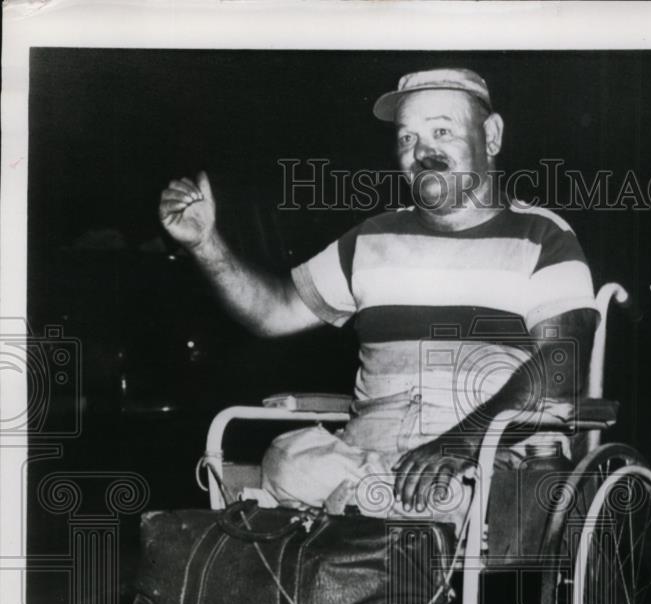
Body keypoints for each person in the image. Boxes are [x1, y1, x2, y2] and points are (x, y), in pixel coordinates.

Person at [159, 68, 598, 524]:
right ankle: (372, 500)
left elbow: (561, 364)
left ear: (491, 135)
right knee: (286, 459)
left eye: (442, 131)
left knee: (447, 495)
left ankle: (367, 506)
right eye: (408, 139)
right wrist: (206, 245)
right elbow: (273, 311)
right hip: (367, 453)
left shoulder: (544, 237)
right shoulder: (369, 240)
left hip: (482, 456)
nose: (424, 152)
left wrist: (461, 443)